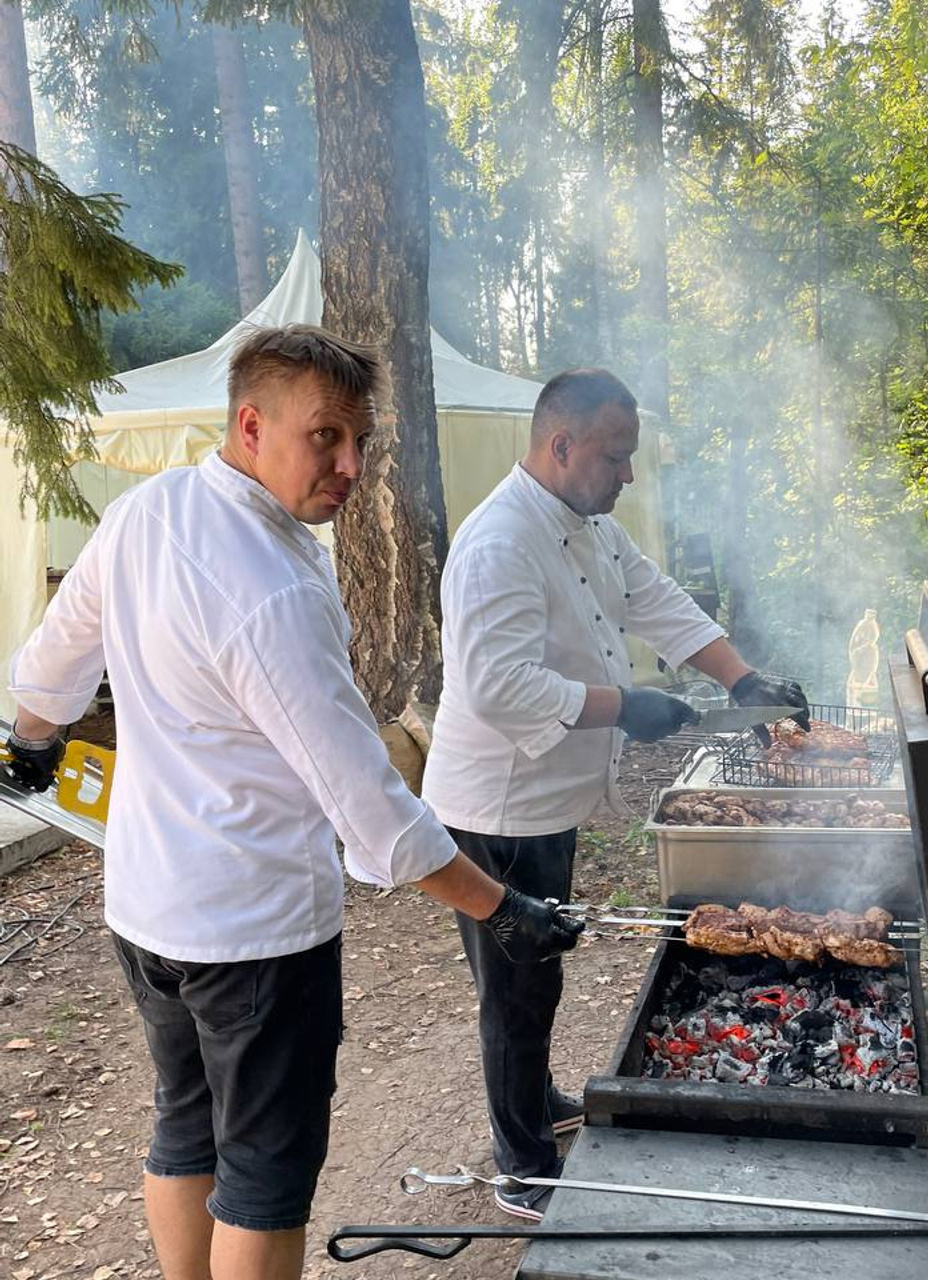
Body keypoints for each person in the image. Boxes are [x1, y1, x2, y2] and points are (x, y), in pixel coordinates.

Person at [3, 325, 582, 1280]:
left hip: (147, 911)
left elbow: (53, 661)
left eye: (361, 441)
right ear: (250, 425)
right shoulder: (271, 588)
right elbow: (369, 805)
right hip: (253, 935)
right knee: (264, 1177)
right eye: (325, 437)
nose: (350, 465)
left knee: (185, 1128)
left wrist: (33, 740)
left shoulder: (149, 510)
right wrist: (503, 907)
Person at [421, 367, 810, 1220]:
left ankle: (536, 1100)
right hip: (498, 806)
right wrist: (623, 705)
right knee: (515, 993)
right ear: (561, 445)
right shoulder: (499, 543)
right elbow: (497, 685)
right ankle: (522, 1167)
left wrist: (741, 679)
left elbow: (655, 599)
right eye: (616, 455)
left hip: (544, 800)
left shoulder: (588, 522)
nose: (629, 474)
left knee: (537, 977)